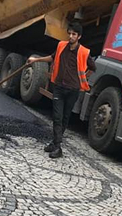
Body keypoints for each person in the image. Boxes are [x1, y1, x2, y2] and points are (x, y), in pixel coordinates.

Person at [27, 22, 96, 158]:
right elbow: (52, 58)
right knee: (57, 117)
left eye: (74, 34)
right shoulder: (61, 46)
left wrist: (83, 78)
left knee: (65, 118)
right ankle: (58, 147)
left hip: (73, 89)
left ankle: (54, 143)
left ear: (79, 36)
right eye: (69, 33)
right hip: (58, 87)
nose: (71, 36)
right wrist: (36, 60)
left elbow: (93, 67)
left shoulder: (84, 52)